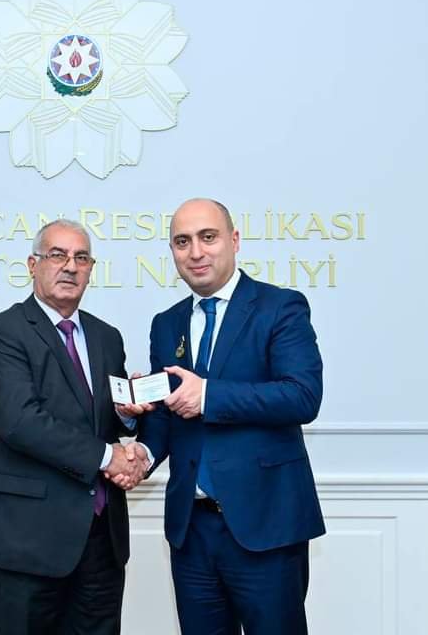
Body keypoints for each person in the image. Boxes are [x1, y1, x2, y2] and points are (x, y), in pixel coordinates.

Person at [115, 198, 325, 635]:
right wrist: (140, 444)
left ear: (234, 240)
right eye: (182, 242)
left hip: (266, 525)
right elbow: (168, 418)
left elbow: (302, 396)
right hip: (191, 531)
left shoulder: (280, 307)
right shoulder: (166, 323)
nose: (196, 252)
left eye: (207, 237)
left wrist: (209, 395)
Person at [0, 219, 148, 635]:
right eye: (58, 255)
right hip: (29, 541)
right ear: (33, 264)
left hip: (101, 540)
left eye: (81, 258)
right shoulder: (2, 333)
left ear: (91, 269)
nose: (70, 266)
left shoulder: (107, 337)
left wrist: (127, 414)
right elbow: (20, 421)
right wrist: (108, 457)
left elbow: (100, 420)